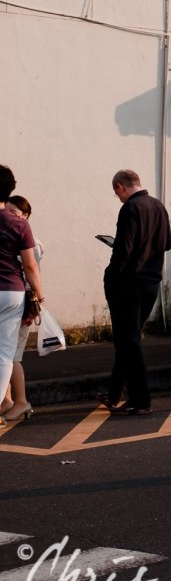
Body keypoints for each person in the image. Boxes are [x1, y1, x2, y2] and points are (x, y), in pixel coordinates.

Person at [96, 170, 171, 415]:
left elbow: (123, 249)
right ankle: (114, 392)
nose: (117, 197)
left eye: (116, 192)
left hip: (128, 282)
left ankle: (141, 400)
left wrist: (110, 275)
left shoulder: (130, 208)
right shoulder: (158, 205)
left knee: (129, 341)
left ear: (121, 186)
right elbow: (167, 243)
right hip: (151, 281)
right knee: (128, 339)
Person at [1, 180, 43, 428]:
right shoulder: (19, 227)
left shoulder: (27, 232)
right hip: (12, 293)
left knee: (9, 355)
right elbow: (31, 267)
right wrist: (39, 297)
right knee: (6, 355)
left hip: (17, 297)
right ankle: (8, 402)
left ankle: (15, 401)